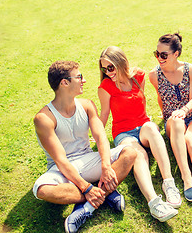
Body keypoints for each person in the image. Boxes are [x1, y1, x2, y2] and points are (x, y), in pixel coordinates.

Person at [33, 61, 137, 233]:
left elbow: (100, 137)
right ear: (64, 83)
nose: (84, 80)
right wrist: (86, 188)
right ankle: (104, 193)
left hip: (89, 160)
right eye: (79, 77)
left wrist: (105, 164)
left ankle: (87, 207)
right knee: (42, 189)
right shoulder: (44, 118)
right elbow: (60, 160)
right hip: (62, 170)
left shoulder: (87, 105)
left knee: (130, 152)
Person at [98, 46, 179, 221]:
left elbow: (142, 99)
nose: (107, 72)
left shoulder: (138, 76)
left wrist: (147, 119)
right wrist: (98, 136)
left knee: (150, 128)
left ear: (120, 62)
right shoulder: (105, 87)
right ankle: (154, 203)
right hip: (123, 132)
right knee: (138, 154)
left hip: (143, 126)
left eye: (110, 67)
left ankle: (169, 183)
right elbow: (104, 113)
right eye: (104, 69)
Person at [149, 33, 192, 216]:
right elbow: (160, 98)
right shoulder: (154, 75)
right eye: (157, 53)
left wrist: (185, 110)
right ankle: (187, 179)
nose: (159, 58)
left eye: (164, 55)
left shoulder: (190, 69)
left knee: (189, 138)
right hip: (173, 120)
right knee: (177, 124)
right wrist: (168, 116)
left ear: (176, 53)